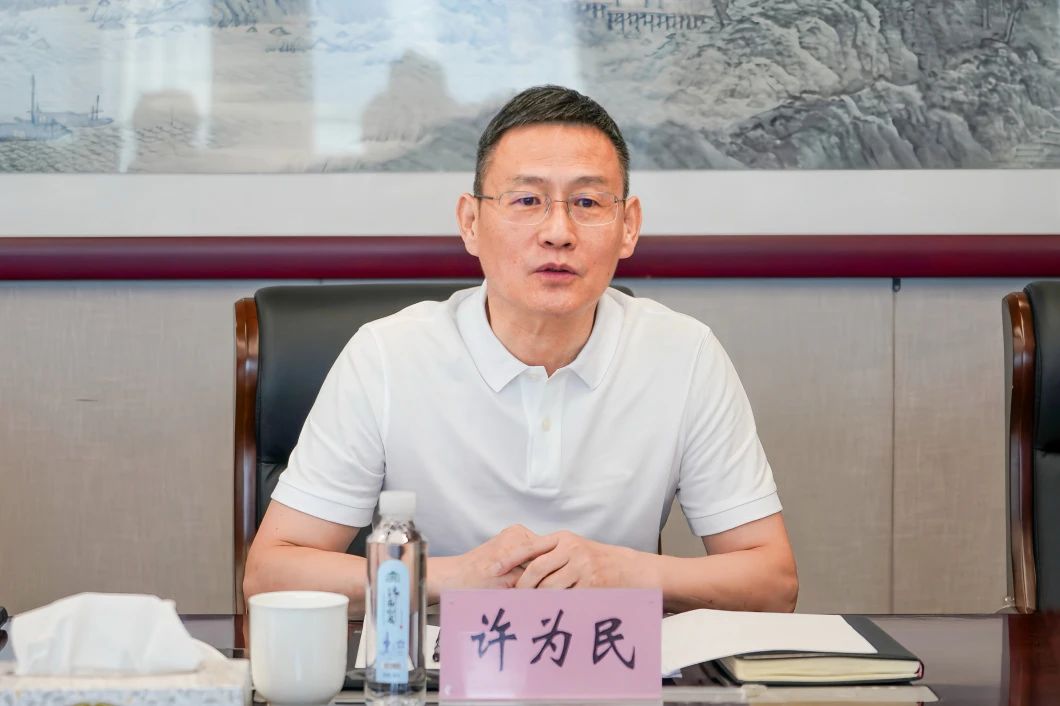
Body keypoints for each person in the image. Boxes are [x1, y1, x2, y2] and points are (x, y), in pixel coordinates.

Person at [243, 85, 798, 614]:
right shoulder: (386, 356)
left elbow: (773, 582)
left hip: (612, 663)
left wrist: (624, 571)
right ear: (471, 222)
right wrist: (455, 577)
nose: (558, 231)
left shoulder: (685, 355)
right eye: (527, 200)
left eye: (587, 201)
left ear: (628, 226)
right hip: (437, 668)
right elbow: (271, 572)